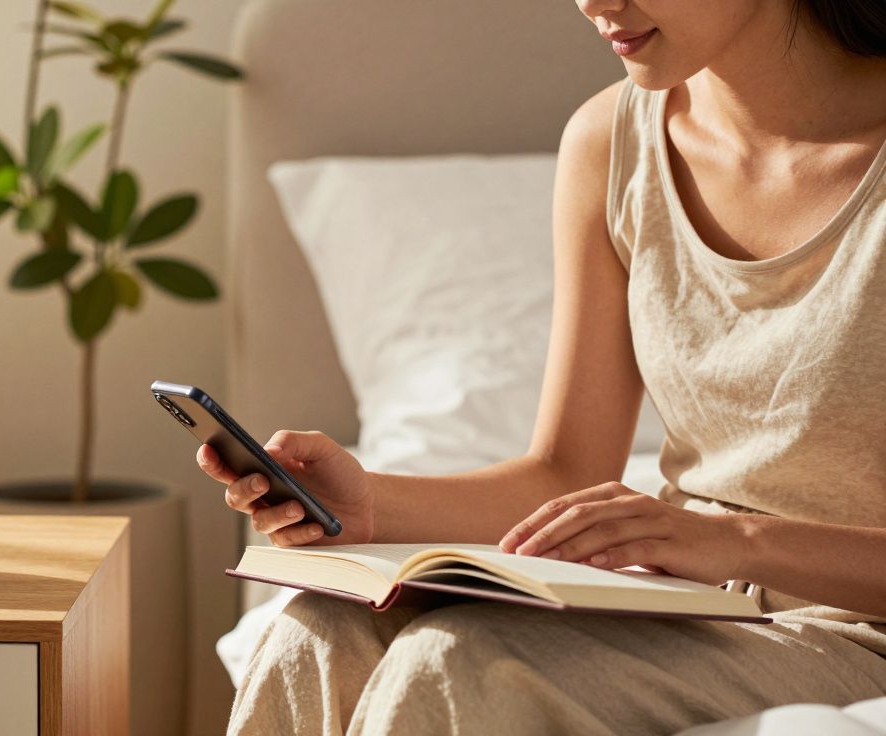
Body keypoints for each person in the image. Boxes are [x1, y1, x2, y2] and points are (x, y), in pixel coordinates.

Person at [195, 1, 886, 733]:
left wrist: (730, 541)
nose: (594, 2)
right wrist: (368, 504)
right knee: (319, 633)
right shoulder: (612, 141)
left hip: (857, 631)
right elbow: (565, 474)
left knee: (465, 667)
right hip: (692, 605)